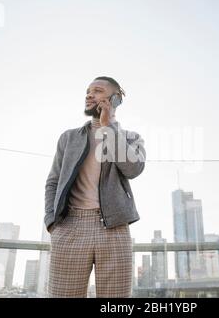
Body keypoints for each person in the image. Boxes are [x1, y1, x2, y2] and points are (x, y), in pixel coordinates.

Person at [44, 76, 146, 298]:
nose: (89, 95)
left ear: (115, 99)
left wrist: (108, 127)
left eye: (97, 91)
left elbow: (133, 169)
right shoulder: (68, 138)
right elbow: (53, 181)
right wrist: (52, 222)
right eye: (87, 91)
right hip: (70, 226)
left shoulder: (131, 138)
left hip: (114, 228)